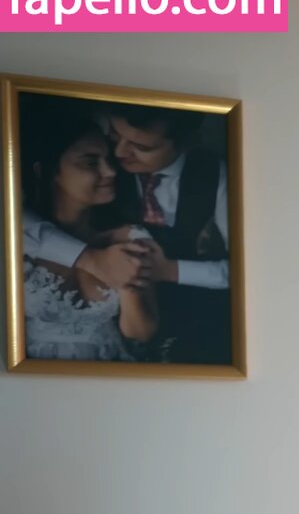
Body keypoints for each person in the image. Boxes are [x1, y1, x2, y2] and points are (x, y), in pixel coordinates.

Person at [17, 97, 160, 362]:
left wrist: (127, 284)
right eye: (91, 162)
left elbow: (141, 334)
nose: (110, 171)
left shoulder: (128, 236)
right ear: (46, 171)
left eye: (108, 160)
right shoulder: (19, 239)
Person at [102, 104, 231, 364]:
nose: (119, 152)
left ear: (184, 144)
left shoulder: (217, 175)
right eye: (116, 135)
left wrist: (170, 270)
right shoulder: (101, 166)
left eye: (142, 147)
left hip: (195, 329)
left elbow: (248, 273)